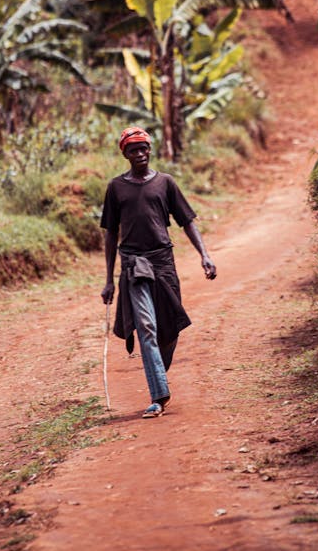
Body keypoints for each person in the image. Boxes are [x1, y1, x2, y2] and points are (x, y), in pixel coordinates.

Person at [100, 126, 217, 418]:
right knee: (147, 329)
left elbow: (186, 221)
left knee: (169, 327)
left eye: (143, 148)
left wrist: (204, 254)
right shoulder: (116, 188)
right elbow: (111, 234)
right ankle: (159, 396)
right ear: (125, 154)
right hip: (133, 264)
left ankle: (157, 372)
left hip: (163, 261)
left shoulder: (165, 183)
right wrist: (108, 281)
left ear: (150, 150)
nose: (140, 154)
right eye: (133, 150)